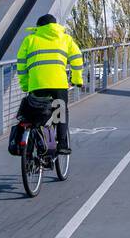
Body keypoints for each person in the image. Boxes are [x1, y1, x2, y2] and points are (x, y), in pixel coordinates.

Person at [16, 14, 84, 154]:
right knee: (60, 112)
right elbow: (77, 59)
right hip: (58, 84)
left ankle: (37, 147)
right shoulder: (65, 38)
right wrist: (77, 80)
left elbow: (21, 66)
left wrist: (25, 85)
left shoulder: (30, 39)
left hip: (37, 85)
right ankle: (62, 145)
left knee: (38, 114)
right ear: (55, 26)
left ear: (38, 27)